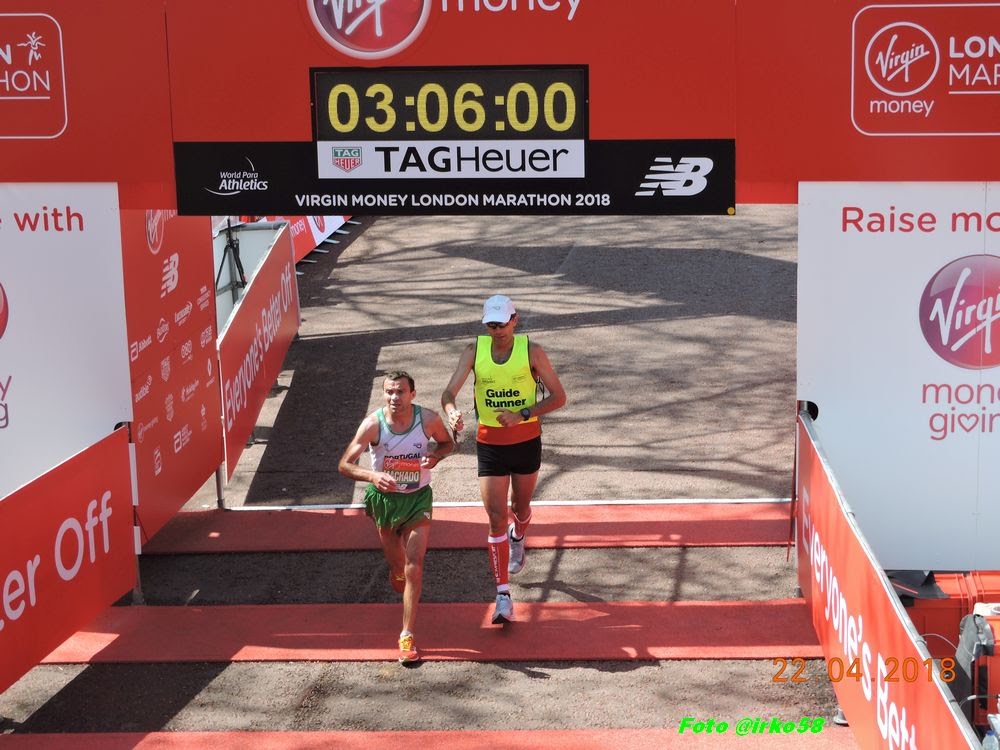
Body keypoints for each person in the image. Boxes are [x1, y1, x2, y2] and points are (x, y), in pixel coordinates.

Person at [441, 295, 566, 624]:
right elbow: (448, 393)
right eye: (491, 324)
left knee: (519, 508)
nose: (496, 330)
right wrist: (452, 411)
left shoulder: (532, 351)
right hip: (490, 445)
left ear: (515, 320)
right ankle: (502, 595)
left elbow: (559, 397)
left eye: (502, 323)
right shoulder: (473, 351)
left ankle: (519, 536)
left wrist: (523, 413)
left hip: (526, 441)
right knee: (496, 517)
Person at [338, 370, 455, 664]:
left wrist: (436, 456)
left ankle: (406, 635)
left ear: (412, 394)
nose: (394, 397)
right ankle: (396, 571)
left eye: (400, 391)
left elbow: (447, 443)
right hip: (386, 502)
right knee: (400, 569)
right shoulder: (373, 424)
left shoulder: (427, 420)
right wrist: (372, 475)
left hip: (418, 498)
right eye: (389, 391)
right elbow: (344, 464)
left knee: (415, 565)